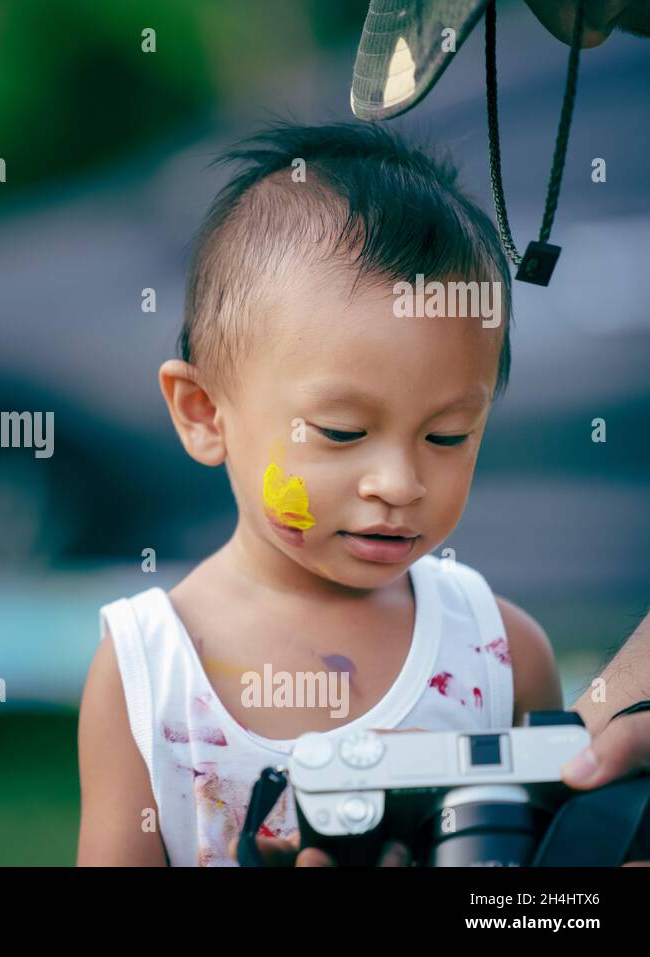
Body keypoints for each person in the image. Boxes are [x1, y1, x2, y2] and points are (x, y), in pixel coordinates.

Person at [75, 121, 564, 867]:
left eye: (447, 436)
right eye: (339, 432)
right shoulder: (152, 672)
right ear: (204, 413)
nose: (399, 483)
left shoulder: (501, 655)